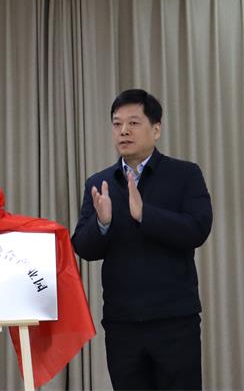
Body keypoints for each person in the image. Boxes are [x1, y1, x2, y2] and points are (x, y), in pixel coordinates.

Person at [72, 89, 213, 390]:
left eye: (133, 123)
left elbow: (198, 229)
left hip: (174, 320)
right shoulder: (99, 183)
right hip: (122, 323)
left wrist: (145, 214)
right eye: (117, 124)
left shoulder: (185, 174)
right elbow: (82, 247)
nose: (123, 131)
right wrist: (102, 223)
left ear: (156, 129)